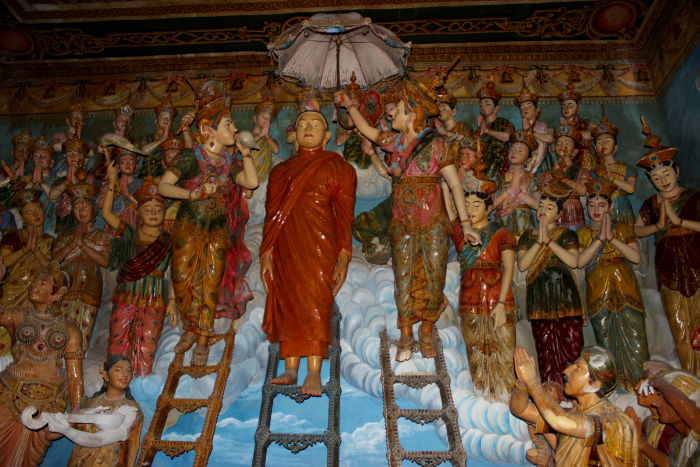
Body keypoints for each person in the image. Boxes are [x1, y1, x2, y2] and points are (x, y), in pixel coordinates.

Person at [336, 79, 478, 362]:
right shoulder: (395, 142)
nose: (392, 114)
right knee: (403, 275)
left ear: (413, 114)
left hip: (433, 219)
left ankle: (426, 326)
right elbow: (368, 131)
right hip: (402, 219)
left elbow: (454, 184)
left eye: (398, 110)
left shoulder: (438, 145)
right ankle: (405, 333)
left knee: (434, 274)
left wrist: (466, 224)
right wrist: (349, 105)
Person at [159, 84, 257, 366]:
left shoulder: (230, 162)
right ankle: (190, 327)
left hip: (217, 231)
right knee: (183, 280)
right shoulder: (191, 157)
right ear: (208, 129)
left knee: (211, 283)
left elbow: (251, 182)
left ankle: (203, 338)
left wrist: (245, 153)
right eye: (228, 124)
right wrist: (193, 194)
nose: (234, 129)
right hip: (188, 228)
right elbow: (164, 186)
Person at [261, 110, 356, 396]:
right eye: (302, 124)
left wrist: (344, 255)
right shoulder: (280, 171)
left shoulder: (339, 168)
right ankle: (290, 367)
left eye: (316, 124)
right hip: (287, 244)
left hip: (321, 243)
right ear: (294, 135)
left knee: (316, 301)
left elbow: (344, 216)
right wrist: (266, 252)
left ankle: (314, 370)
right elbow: (272, 215)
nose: (308, 128)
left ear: (326, 136)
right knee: (289, 300)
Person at [634, 120, 700, 375]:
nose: (662, 181)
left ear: (677, 171)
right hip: (669, 271)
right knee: (680, 328)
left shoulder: (694, 198)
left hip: (696, 263)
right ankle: (690, 378)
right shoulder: (652, 204)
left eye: (667, 174)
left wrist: (680, 222)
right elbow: (635, 230)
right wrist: (657, 226)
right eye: (656, 178)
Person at [0, 267, 84, 467]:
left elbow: (74, 377)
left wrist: (76, 415)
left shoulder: (70, 330)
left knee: (26, 460)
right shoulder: (18, 316)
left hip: (47, 403)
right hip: (8, 392)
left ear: (57, 294)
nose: (34, 286)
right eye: (34, 281)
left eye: (42, 282)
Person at [447, 171, 516, 403]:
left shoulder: (501, 234)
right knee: (475, 351)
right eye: (466, 205)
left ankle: (506, 397)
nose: (470, 209)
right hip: (469, 299)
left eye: (476, 204)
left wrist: (501, 304)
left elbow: (508, 267)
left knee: (503, 349)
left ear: (488, 208)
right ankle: (483, 396)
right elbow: (449, 207)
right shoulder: (461, 233)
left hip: (498, 298)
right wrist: (446, 179)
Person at [511, 346, 639, 466]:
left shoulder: (613, 421)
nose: (566, 371)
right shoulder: (570, 414)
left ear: (595, 384)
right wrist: (522, 381)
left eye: (577, 367)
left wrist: (533, 382)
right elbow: (520, 409)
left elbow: (560, 421)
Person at [577, 180, 649, 390]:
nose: (596, 210)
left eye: (602, 205)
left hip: (625, 288)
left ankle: (642, 383)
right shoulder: (582, 233)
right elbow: (580, 262)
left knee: (635, 337)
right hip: (598, 290)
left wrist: (612, 238)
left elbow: (635, 257)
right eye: (592, 205)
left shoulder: (623, 228)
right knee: (605, 339)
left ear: (610, 206)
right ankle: (614, 387)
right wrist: (600, 240)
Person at [104, 167, 172, 377]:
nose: (153, 213)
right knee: (118, 336)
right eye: (148, 209)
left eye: (158, 209)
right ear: (139, 212)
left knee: (148, 341)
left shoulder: (168, 240)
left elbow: (174, 271)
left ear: (164, 213)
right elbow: (106, 214)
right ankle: (114, 380)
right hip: (127, 292)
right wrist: (112, 185)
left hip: (155, 294)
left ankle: (141, 382)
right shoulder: (130, 233)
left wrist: (173, 300)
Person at [517, 181, 583, 389]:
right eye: (541, 206)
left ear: (560, 214)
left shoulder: (567, 235)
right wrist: (539, 241)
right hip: (539, 295)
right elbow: (523, 265)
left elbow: (573, 261)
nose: (544, 211)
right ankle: (551, 388)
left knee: (571, 342)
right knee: (545, 344)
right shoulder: (527, 236)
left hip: (564, 294)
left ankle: (574, 387)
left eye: (550, 208)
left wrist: (549, 241)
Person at [53, 174, 111, 350]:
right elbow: (54, 261)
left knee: (81, 331)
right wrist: (72, 244)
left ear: (95, 210)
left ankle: (77, 356)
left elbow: (104, 261)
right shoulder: (65, 234)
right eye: (77, 207)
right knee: (59, 329)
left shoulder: (101, 235)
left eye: (85, 206)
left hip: (89, 288)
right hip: (65, 287)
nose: (81, 211)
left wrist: (83, 246)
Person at [67, 355, 143, 467]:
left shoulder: (131, 409)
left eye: (129, 371)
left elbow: (122, 439)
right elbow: (60, 429)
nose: (125, 375)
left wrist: (64, 429)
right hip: (78, 461)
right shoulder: (87, 403)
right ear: (106, 375)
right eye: (118, 370)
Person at [630, 370, 700, 466]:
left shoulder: (695, 437)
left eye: (665, 398)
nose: (655, 403)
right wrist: (641, 443)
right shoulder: (676, 441)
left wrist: (656, 381)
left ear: (691, 404)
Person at [539, 125, 591, 229]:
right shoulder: (547, 173)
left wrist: (564, 179)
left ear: (575, 151)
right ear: (554, 148)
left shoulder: (581, 172)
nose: (562, 146)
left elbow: (583, 191)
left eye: (567, 143)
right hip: (553, 212)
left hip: (573, 211)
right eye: (559, 143)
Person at [592, 110, 637, 224]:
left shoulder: (628, 168)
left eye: (607, 141)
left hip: (620, 206)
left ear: (615, 147)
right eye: (599, 142)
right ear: (596, 149)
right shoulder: (593, 171)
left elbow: (631, 189)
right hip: (600, 209)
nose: (603, 144)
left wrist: (613, 179)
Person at [492, 130, 539, 238]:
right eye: (512, 149)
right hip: (501, 229)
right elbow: (490, 207)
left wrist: (520, 195)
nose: (514, 152)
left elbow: (539, 206)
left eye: (520, 150)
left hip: (525, 230)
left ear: (529, 158)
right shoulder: (496, 180)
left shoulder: (533, 181)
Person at [473, 77, 513, 181]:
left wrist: (487, 131)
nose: (483, 107)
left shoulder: (504, 123)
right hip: (482, 165)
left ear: (496, 108)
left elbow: (507, 137)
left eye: (487, 104)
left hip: (499, 165)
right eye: (481, 105)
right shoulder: (479, 127)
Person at [514, 80, 554, 174]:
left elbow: (550, 139)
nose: (525, 109)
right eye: (522, 108)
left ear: (536, 110)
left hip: (542, 162)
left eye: (529, 106)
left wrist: (531, 133)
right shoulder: (520, 132)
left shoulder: (544, 126)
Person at [251, 99, 279, 181]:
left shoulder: (269, 139)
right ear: (254, 118)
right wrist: (260, 135)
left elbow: (276, 150)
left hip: (265, 176)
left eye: (268, 119)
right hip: (252, 174)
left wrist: (266, 136)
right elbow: (246, 145)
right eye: (263, 117)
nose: (266, 120)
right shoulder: (248, 135)